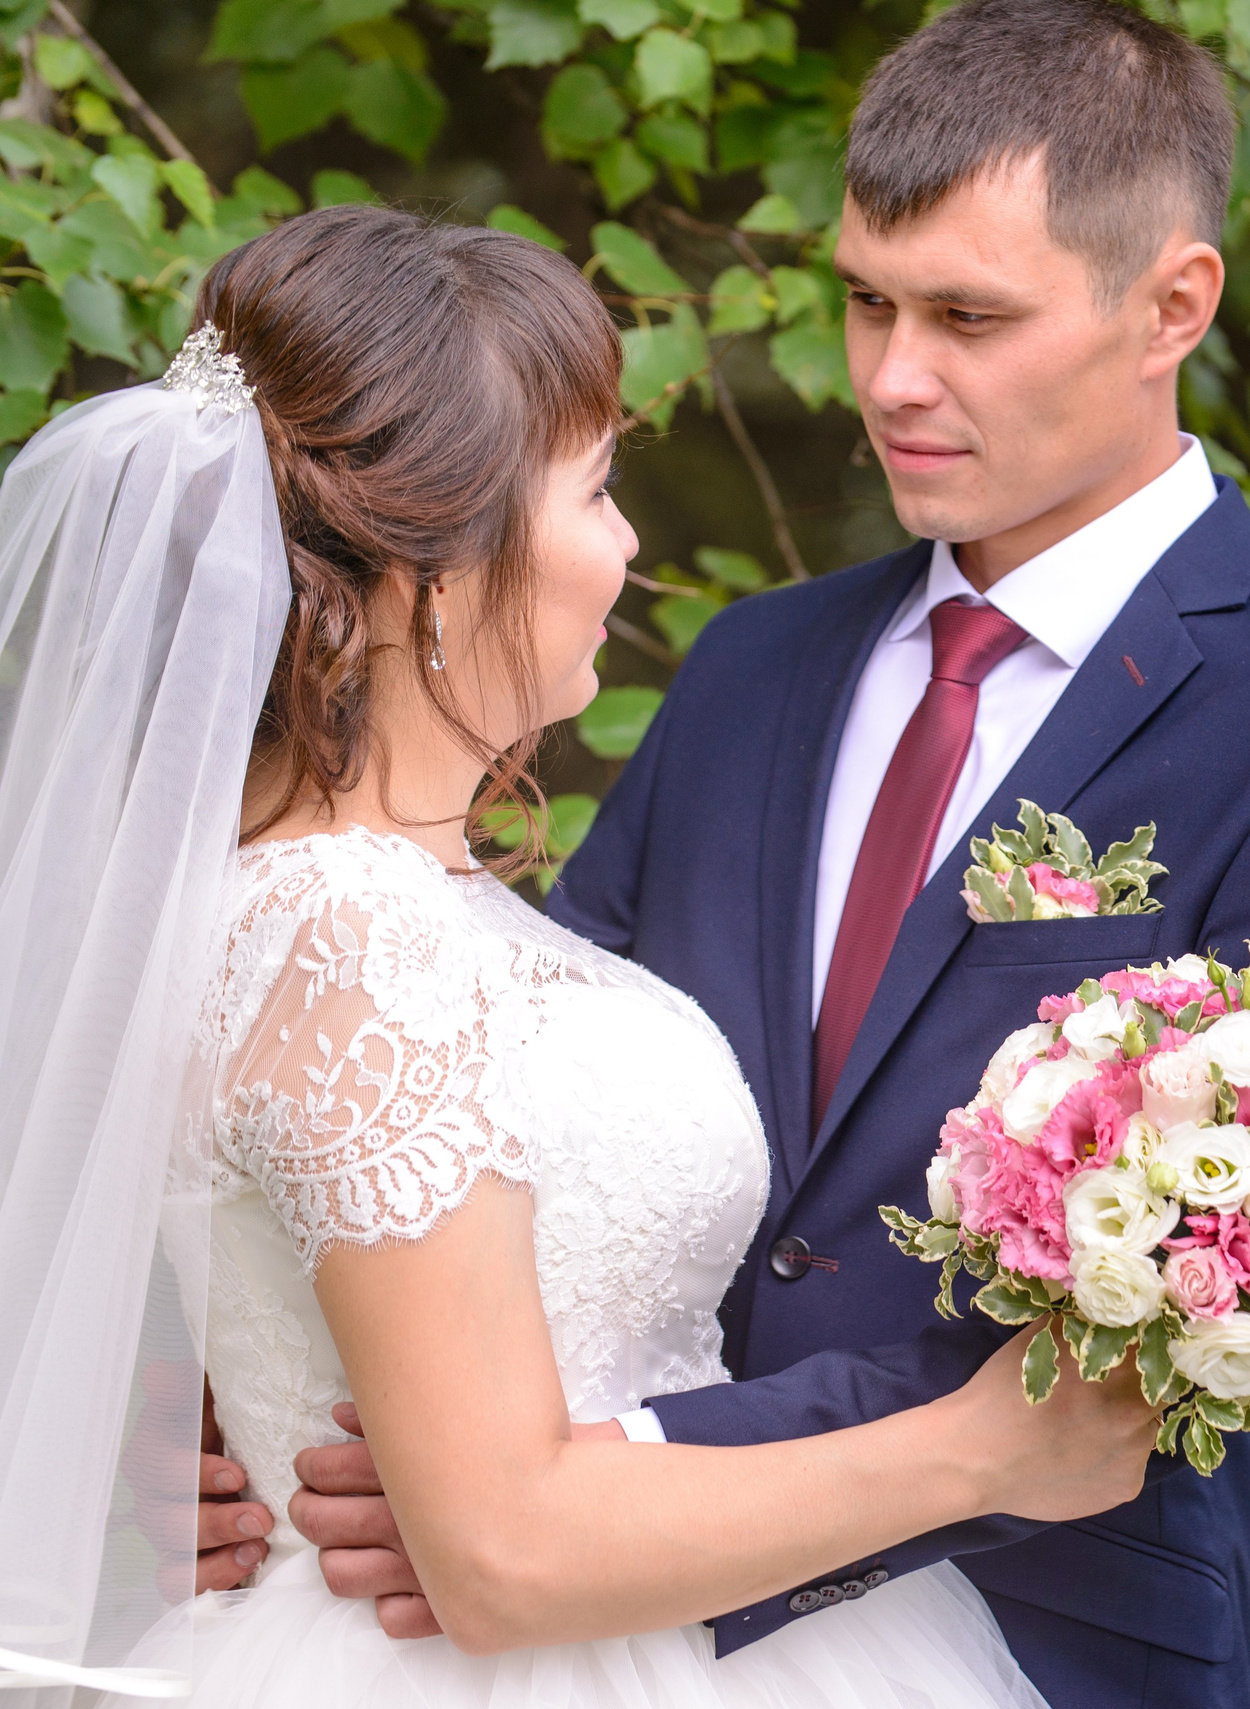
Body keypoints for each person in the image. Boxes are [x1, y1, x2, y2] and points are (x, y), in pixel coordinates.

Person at [277, 2, 1250, 1706]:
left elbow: (1179, 1317)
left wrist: (592, 1479)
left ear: (1174, 307)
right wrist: (252, 1394)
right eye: (867, 299)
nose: (891, 375)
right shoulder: (753, 667)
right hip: (565, 1622)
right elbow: (506, 1101)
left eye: (968, 317)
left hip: (1038, 1649)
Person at [0, 201, 1164, 1709]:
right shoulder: (345, 942)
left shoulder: (378, 908)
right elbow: (501, 1550)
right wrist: (984, 1449)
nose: (627, 546)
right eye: (598, 490)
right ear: (436, 574)